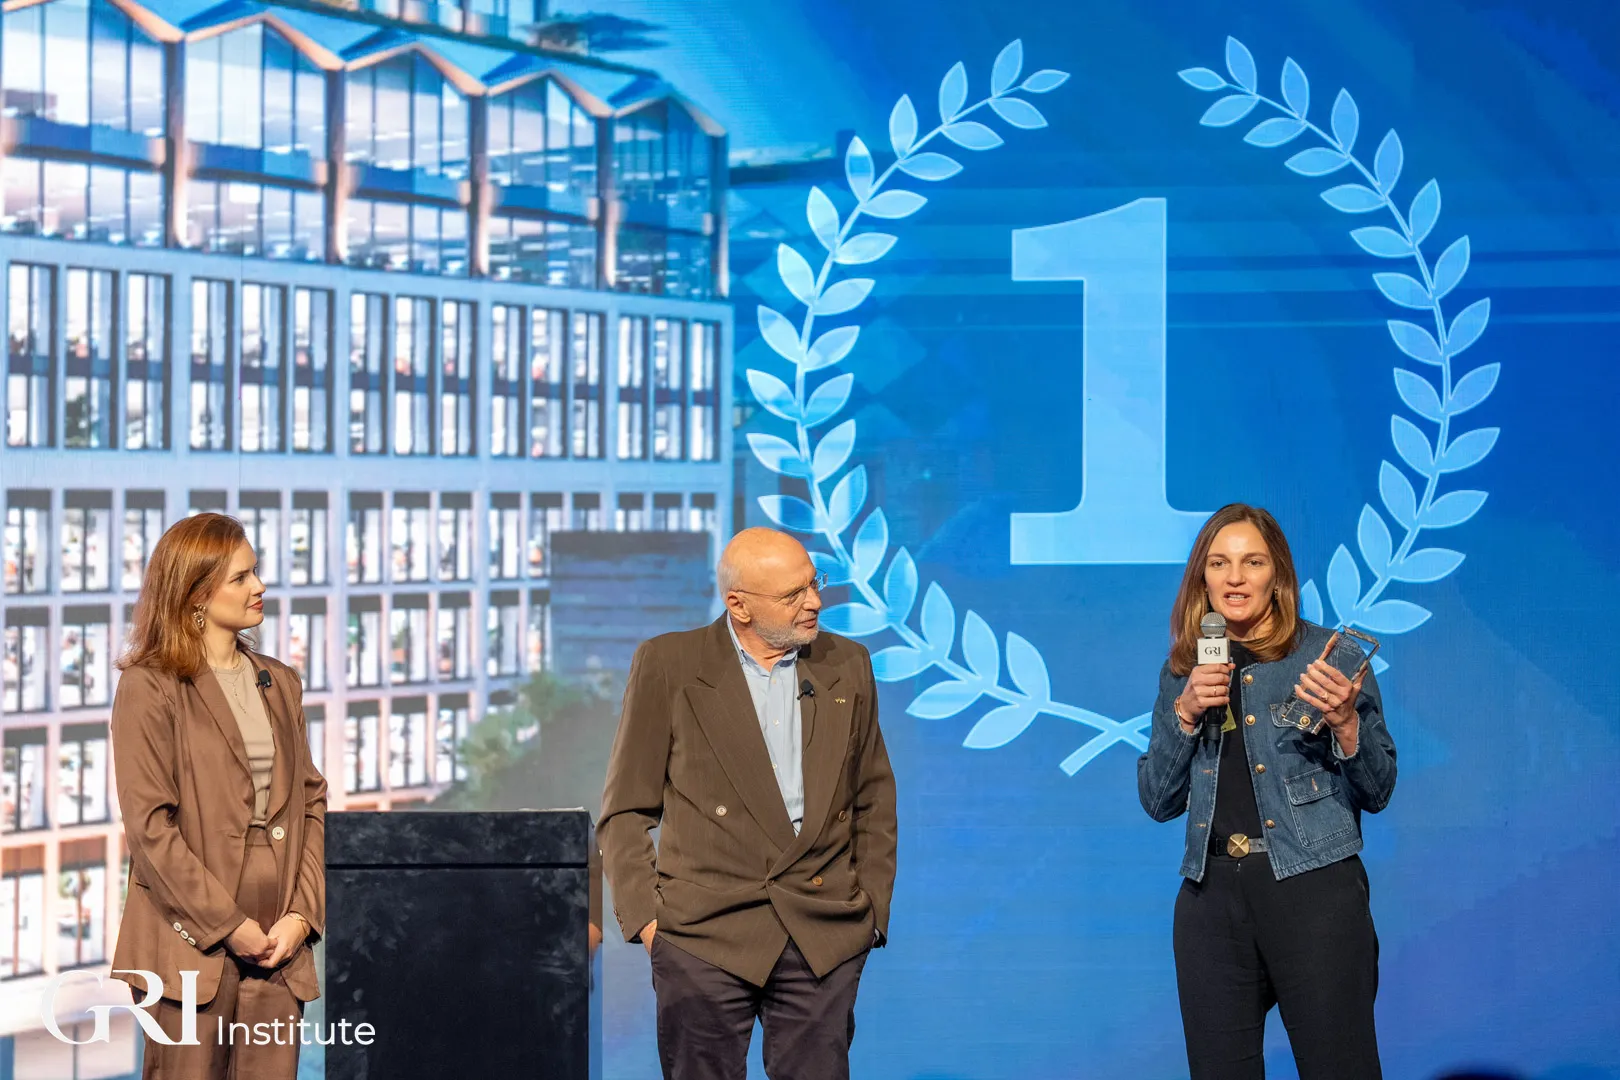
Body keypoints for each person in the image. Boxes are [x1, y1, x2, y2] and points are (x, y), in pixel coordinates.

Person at [599, 527, 898, 1080]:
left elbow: (873, 797)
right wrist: (646, 919)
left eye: (815, 584)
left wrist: (870, 910)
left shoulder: (848, 663)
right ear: (738, 606)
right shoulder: (670, 664)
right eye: (793, 594)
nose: (814, 602)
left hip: (821, 930)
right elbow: (625, 809)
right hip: (701, 933)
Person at [1137, 504, 1397, 1080]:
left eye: (1251, 562)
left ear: (1276, 575)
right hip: (1210, 902)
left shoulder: (1326, 660)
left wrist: (1347, 724)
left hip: (1313, 890)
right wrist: (1183, 714)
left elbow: (1377, 790)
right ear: (1200, 579)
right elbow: (1157, 800)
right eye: (1219, 563)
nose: (1234, 578)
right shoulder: (1184, 670)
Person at [111, 512, 326, 1078]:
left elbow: (310, 804)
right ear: (197, 594)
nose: (260, 587)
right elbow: (150, 828)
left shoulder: (280, 682)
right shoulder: (149, 686)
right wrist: (231, 926)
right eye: (241, 577)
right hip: (189, 943)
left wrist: (301, 916)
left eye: (257, 572)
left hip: (279, 942)